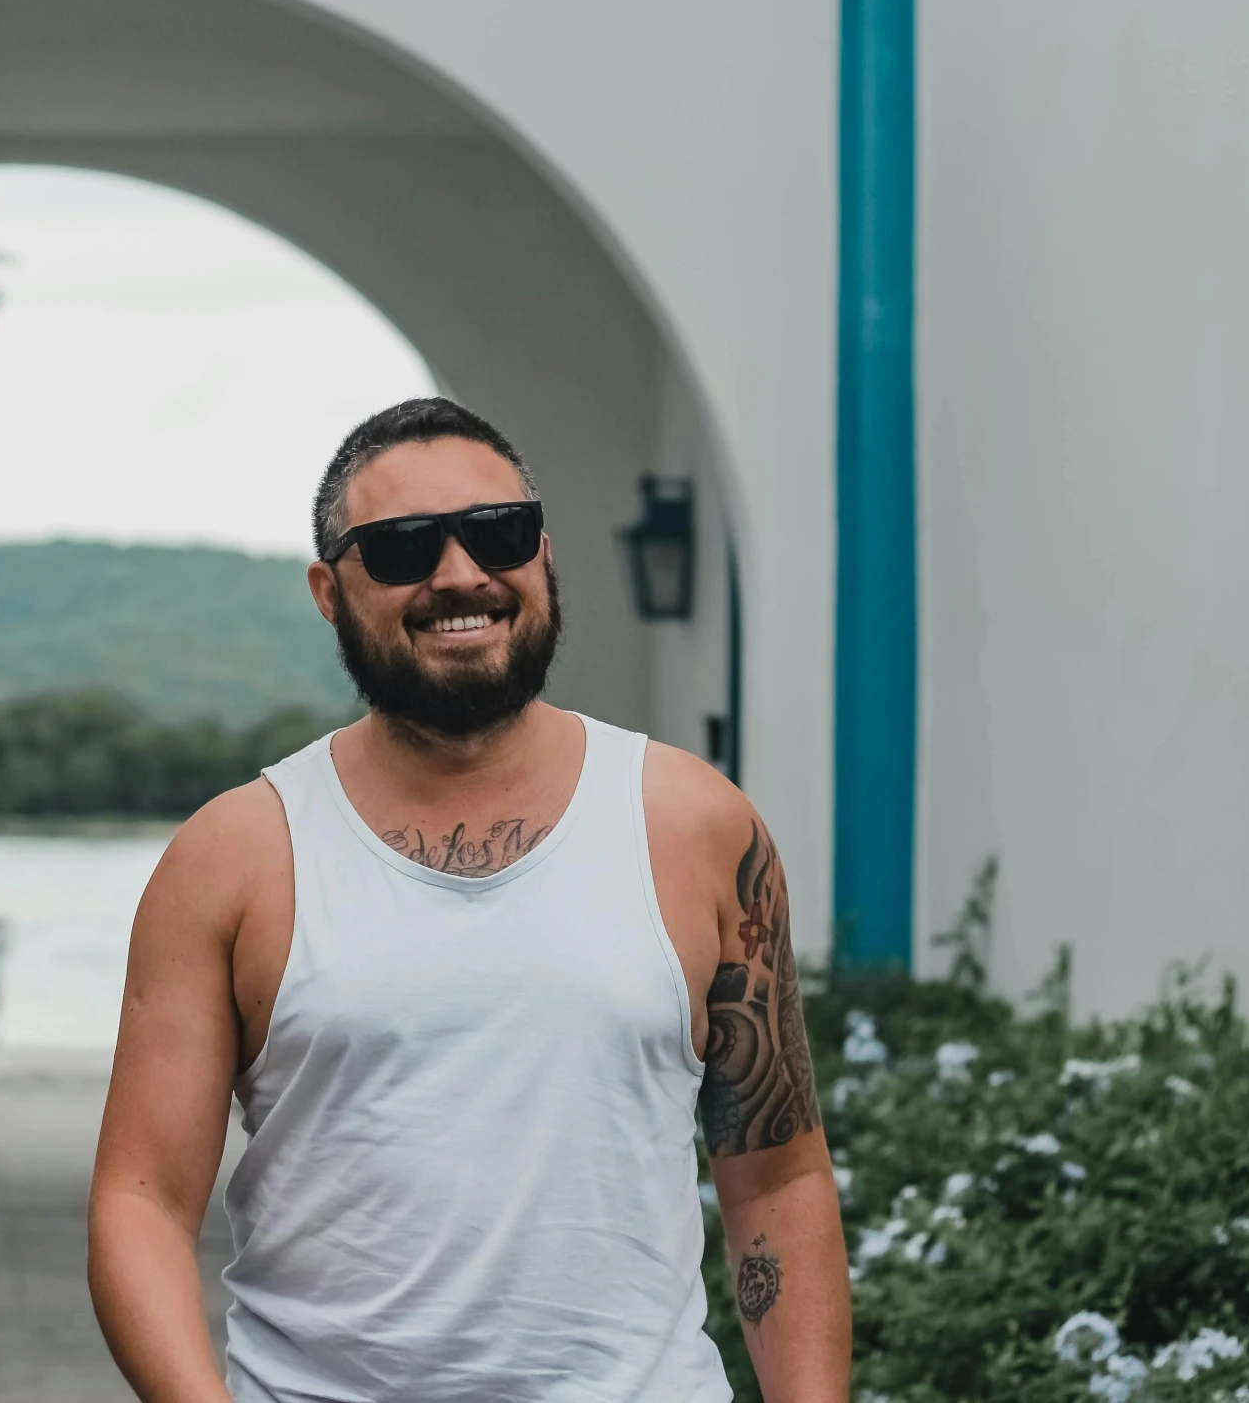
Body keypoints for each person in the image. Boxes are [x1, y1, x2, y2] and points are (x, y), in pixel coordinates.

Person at [88, 398, 849, 1402]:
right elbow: (139, 1200)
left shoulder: (700, 828)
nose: (459, 574)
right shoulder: (234, 857)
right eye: (402, 548)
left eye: (498, 532)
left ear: (542, 552)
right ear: (328, 590)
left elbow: (777, 1180)